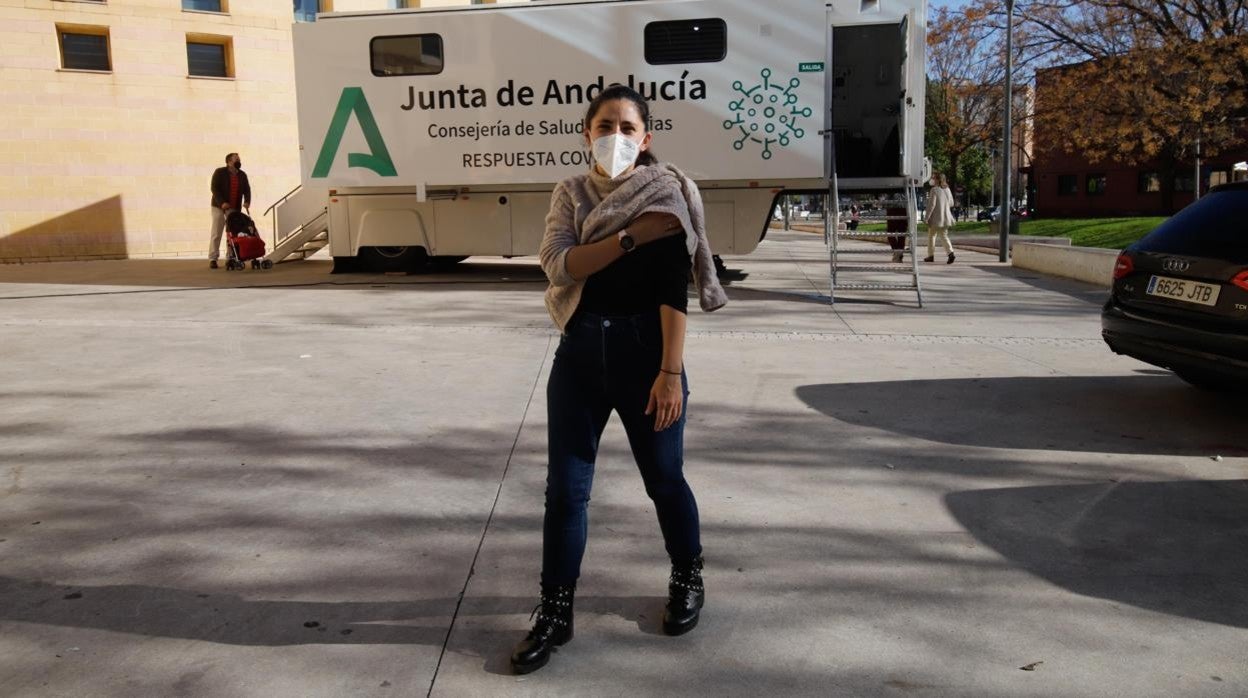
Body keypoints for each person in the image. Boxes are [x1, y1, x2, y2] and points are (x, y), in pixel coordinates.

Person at [512, 84, 727, 675]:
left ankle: (688, 575)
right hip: (579, 354)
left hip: (646, 356)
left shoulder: (666, 193)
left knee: (664, 479)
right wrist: (629, 237)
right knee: (566, 492)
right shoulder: (572, 193)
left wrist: (670, 374)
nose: (616, 136)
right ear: (586, 133)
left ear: (647, 138)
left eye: (628, 128)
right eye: (605, 125)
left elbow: (670, 290)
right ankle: (555, 610)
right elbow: (558, 264)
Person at [208, 153, 251, 269]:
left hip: (234, 208)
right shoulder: (220, 172)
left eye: (239, 159)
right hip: (218, 206)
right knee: (217, 232)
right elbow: (214, 188)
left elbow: (247, 189)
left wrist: (247, 201)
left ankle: (230, 257)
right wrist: (222, 202)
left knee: (232, 234)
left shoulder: (242, 175)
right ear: (229, 161)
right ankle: (213, 258)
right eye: (236, 159)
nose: (239, 161)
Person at [924, 172, 955, 264]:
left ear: (937, 180)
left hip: (936, 219)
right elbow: (951, 203)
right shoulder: (947, 189)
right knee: (944, 236)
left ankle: (930, 255)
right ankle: (951, 253)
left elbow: (931, 205)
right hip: (946, 217)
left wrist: (926, 218)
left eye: (934, 178)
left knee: (931, 236)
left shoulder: (934, 190)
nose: (932, 180)